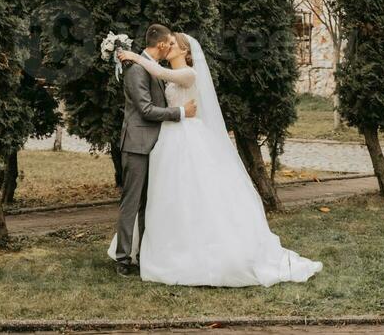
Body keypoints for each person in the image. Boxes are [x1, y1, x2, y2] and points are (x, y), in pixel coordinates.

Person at [109, 31, 322, 287]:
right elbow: (154, 89)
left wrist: (134, 56)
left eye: (174, 44)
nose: (169, 46)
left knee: (190, 195)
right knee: (165, 197)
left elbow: (162, 74)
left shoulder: (188, 74)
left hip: (188, 139)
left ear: (187, 52)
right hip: (168, 140)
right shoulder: (157, 73)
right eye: (169, 43)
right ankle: (157, 249)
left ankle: (187, 250)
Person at [110, 23, 196, 275]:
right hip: (137, 145)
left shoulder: (156, 69)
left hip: (158, 146)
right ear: (161, 44)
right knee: (132, 201)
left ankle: (147, 254)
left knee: (150, 203)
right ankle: (123, 259)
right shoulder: (137, 69)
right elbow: (146, 110)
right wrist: (181, 112)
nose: (171, 46)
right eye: (170, 42)